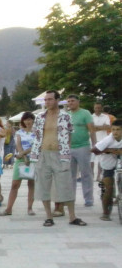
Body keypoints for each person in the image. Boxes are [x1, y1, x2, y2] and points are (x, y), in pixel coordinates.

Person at [30, 90, 87, 227]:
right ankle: (49, 216)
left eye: (50, 99)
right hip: (43, 153)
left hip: (60, 154)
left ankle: (72, 216)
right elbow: (36, 135)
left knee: (65, 185)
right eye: (46, 100)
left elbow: (70, 134)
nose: (47, 102)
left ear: (57, 100)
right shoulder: (40, 117)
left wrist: (67, 151)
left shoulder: (65, 116)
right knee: (44, 185)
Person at [0, 112, 36, 216]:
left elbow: (35, 146)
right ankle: (9, 208)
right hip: (21, 159)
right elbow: (18, 145)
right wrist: (23, 156)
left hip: (33, 159)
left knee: (31, 184)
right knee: (15, 184)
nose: (28, 122)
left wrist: (23, 154)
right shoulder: (19, 132)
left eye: (30, 119)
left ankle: (30, 207)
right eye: (26, 119)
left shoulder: (37, 132)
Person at [66, 94, 95, 207]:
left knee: (86, 173)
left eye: (72, 101)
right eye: (69, 101)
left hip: (83, 146)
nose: (70, 103)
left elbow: (91, 130)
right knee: (70, 175)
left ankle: (88, 199)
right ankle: (70, 198)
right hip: (69, 147)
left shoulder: (85, 113)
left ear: (78, 101)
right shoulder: (66, 115)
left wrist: (95, 145)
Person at [92, 121, 122, 221]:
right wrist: (109, 150)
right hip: (108, 164)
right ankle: (106, 213)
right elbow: (94, 150)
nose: (115, 132)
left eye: (118, 129)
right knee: (108, 188)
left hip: (120, 162)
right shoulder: (108, 139)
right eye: (113, 129)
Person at [92, 102, 112, 181]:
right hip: (92, 139)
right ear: (94, 108)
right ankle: (91, 175)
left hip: (103, 140)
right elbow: (90, 128)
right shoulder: (90, 116)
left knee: (101, 159)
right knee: (91, 159)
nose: (97, 109)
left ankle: (98, 176)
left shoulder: (106, 116)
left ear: (101, 108)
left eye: (99, 108)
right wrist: (101, 127)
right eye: (96, 108)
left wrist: (95, 127)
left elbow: (108, 127)